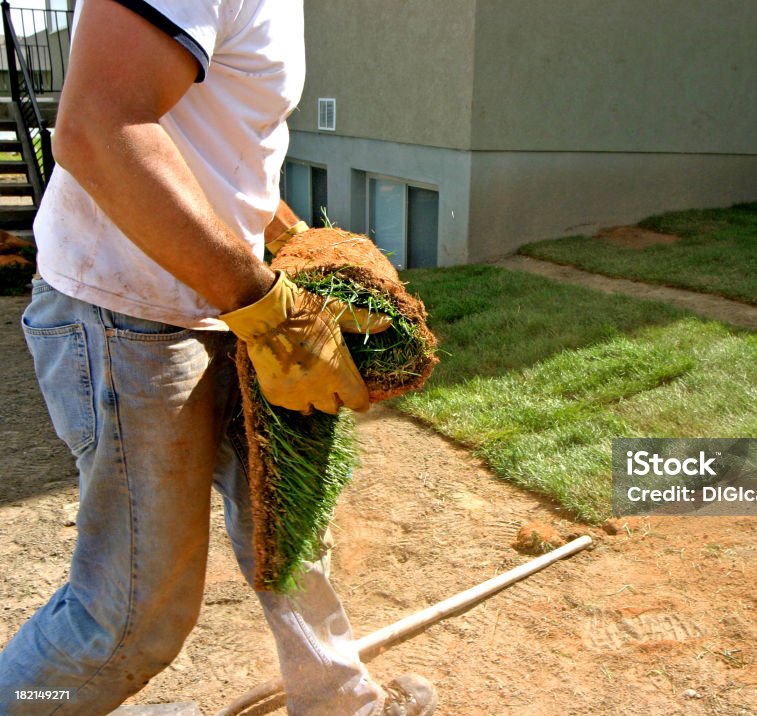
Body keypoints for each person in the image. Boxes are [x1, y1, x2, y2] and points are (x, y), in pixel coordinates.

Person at [0, 1, 436, 714]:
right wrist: (266, 306)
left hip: (220, 302)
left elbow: (212, 145)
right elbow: (98, 128)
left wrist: (294, 241)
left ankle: (340, 703)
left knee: (288, 517)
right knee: (129, 618)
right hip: (128, 313)